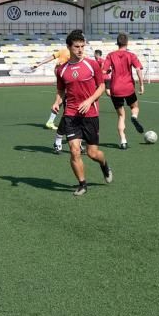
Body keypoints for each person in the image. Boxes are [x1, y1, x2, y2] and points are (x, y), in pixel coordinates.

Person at [54, 29, 113, 196]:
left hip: (90, 114)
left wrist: (89, 101)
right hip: (71, 114)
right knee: (74, 150)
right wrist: (57, 102)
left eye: (82, 46)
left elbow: (101, 86)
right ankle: (82, 184)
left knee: (92, 153)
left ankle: (104, 164)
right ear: (68, 47)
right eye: (76, 47)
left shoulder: (92, 64)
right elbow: (60, 90)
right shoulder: (62, 70)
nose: (80, 50)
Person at [103, 33, 146, 150]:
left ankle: (123, 140)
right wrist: (141, 84)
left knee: (121, 116)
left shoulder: (110, 55)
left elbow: (103, 71)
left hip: (115, 89)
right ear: (127, 43)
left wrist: (108, 73)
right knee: (135, 107)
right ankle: (134, 117)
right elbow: (138, 70)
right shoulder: (131, 55)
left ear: (117, 43)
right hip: (128, 88)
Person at [31, 41, 72, 135]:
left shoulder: (63, 51)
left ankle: (51, 121)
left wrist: (39, 64)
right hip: (64, 75)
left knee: (61, 99)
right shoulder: (72, 53)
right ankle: (67, 122)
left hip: (59, 73)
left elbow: (51, 57)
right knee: (65, 98)